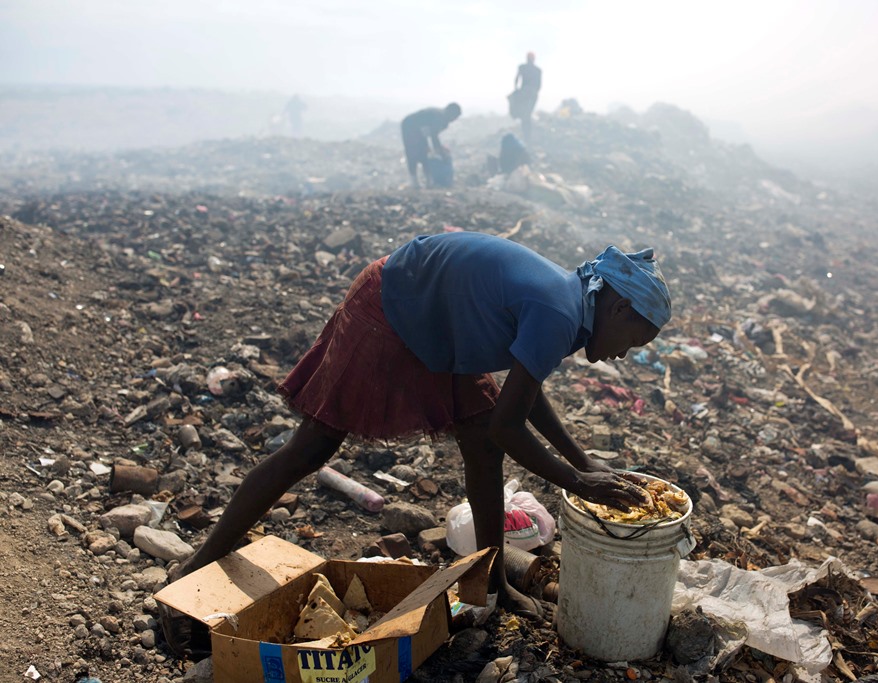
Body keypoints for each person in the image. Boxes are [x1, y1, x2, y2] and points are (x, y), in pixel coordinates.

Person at [164, 231, 671, 652]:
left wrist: (582, 462)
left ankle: (491, 578)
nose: (625, 355)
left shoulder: (570, 310)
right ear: (620, 308)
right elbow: (509, 423)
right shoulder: (559, 311)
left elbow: (524, 392)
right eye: (633, 342)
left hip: (441, 318)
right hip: (395, 305)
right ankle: (202, 558)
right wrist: (577, 481)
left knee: (481, 441)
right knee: (314, 447)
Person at [400, 103, 461, 188]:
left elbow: (432, 135)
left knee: (424, 153)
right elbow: (434, 136)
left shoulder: (443, 120)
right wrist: (439, 150)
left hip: (420, 131)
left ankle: (428, 181)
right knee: (412, 153)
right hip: (409, 126)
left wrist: (439, 148)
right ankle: (415, 182)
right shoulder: (439, 117)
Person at [510, 52, 542, 142]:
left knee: (525, 115)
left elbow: (516, 79)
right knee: (526, 114)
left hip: (525, 94)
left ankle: (527, 136)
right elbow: (539, 85)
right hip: (531, 94)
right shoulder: (537, 70)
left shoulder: (522, 67)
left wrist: (517, 90)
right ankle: (527, 136)